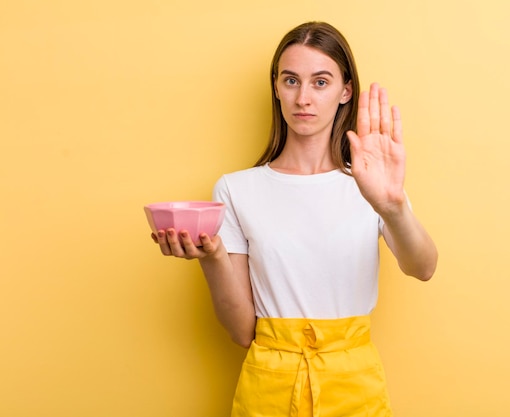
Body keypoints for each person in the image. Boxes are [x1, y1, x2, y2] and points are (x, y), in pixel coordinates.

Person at [152, 21, 437, 417]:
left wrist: (392, 206)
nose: (303, 97)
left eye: (321, 82)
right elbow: (241, 332)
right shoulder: (236, 190)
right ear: (276, 87)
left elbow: (423, 267)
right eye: (291, 81)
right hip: (269, 387)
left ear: (345, 91)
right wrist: (211, 256)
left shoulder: (371, 183)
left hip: (354, 386)